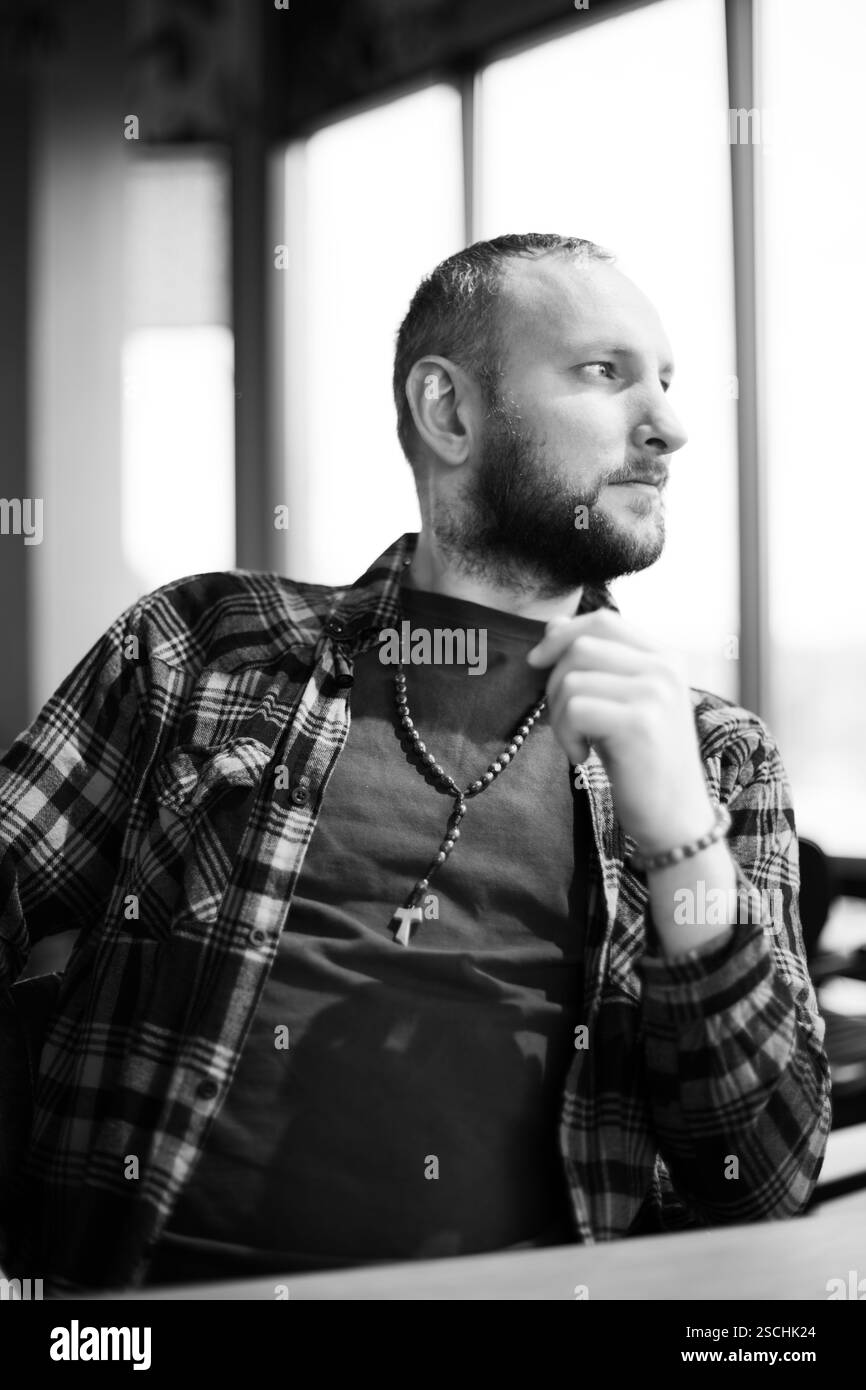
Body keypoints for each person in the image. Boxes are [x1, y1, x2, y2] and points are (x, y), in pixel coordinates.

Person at [0, 234, 830, 1296]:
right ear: (447, 412)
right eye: (602, 372)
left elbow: (755, 1179)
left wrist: (679, 839)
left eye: (664, 381)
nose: (666, 423)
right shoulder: (202, 645)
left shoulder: (715, 759)